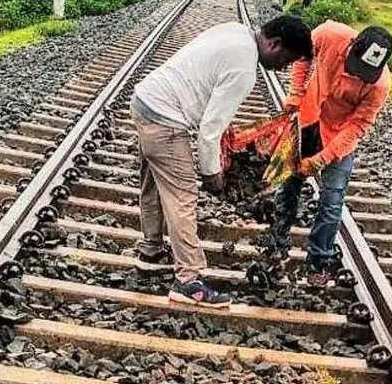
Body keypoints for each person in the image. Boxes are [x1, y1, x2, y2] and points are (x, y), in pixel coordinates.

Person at [131, 16, 313, 307]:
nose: (283, 68)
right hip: (165, 119)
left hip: (145, 101)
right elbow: (208, 131)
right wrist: (212, 174)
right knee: (182, 197)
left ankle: (151, 249)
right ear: (273, 43)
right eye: (286, 59)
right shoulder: (245, 69)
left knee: (153, 183)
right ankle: (189, 280)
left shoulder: (236, 31)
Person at [269, 20, 392, 286]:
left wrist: (323, 159)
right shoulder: (329, 35)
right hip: (309, 121)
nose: (358, 77)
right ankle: (277, 246)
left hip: (340, 139)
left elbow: (358, 126)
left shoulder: (380, 86)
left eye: (366, 74)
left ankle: (318, 259)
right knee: (288, 185)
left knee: (332, 200)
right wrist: (295, 92)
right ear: (351, 47)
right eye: (356, 67)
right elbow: (302, 56)